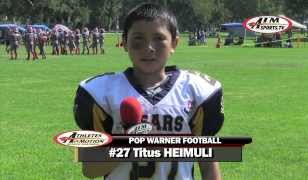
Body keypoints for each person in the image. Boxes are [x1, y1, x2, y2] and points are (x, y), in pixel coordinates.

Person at [73, 3, 223, 180]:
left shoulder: (195, 91)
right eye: (138, 39)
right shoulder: (102, 93)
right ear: (124, 42)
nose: (149, 48)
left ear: (174, 43)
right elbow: (90, 170)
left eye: (159, 38)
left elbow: (207, 164)